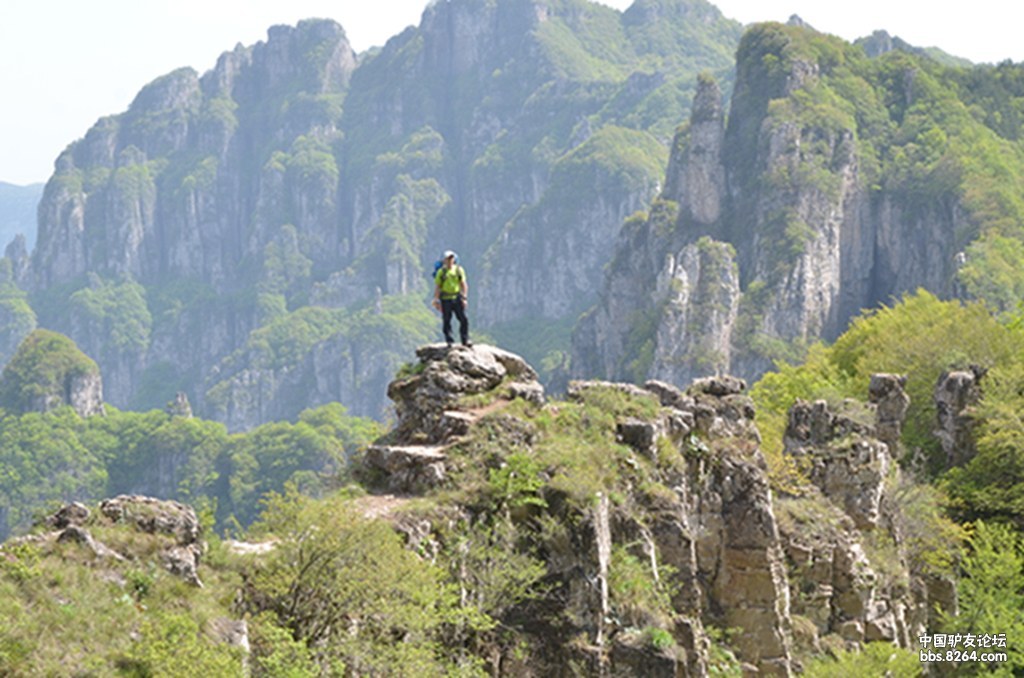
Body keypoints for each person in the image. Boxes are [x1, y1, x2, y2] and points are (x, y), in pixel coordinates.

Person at [432, 250, 471, 347]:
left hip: (457, 297)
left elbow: (464, 285)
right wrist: (436, 300)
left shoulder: (458, 270)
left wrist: (464, 298)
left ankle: (465, 340)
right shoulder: (441, 272)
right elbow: (438, 287)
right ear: (444, 260)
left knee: (463, 319)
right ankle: (450, 341)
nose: (450, 260)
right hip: (445, 299)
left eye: (451, 258)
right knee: (446, 320)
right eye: (448, 259)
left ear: (454, 259)